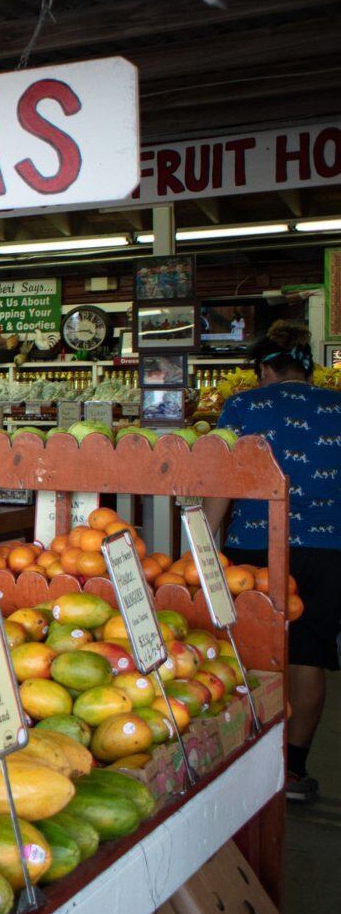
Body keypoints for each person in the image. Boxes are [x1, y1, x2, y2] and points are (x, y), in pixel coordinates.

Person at [205, 322, 341, 803]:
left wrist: (205, 551)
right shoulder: (338, 407)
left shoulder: (243, 406)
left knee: (249, 649)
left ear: (264, 368)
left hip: (253, 547)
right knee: (309, 655)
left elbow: (221, 486)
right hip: (327, 550)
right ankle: (295, 772)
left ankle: (244, 758)